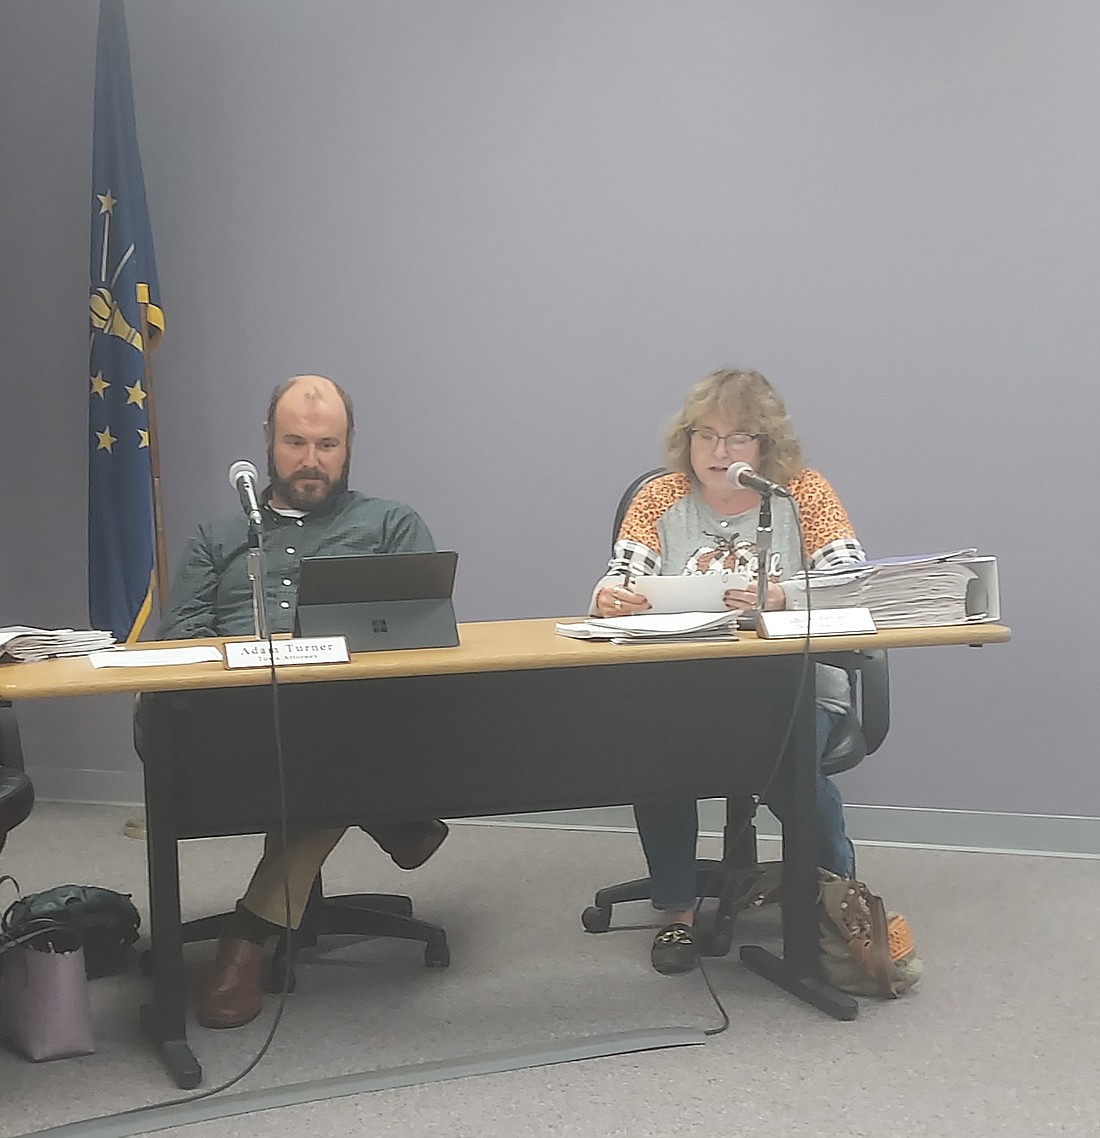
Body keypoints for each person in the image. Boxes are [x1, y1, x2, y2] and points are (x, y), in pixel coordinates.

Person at [157, 374, 449, 1029]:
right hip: (234, 715)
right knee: (335, 759)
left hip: (352, 717)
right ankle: (392, 817)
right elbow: (179, 634)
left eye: (327, 444)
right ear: (267, 442)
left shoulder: (390, 524)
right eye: (294, 442)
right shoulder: (221, 529)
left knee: (335, 745)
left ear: (348, 448)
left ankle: (247, 937)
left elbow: (422, 634)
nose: (310, 459)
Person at [589, 368, 865, 976]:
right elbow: (622, 574)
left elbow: (851, 583)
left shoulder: (802, 494)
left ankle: (839, 899)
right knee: (656, 756)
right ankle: (676, 915)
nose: (718, 452)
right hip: (684, 688)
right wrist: (611, 595)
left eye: (738, 437)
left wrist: (785, 597)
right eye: (705, 435)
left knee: (791, 766)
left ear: (765, 445)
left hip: (795, 689)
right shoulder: (660, 496)